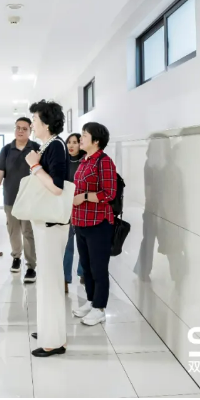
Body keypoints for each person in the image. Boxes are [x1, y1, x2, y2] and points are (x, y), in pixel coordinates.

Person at [25, 100, 69, 358]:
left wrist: (35, 166)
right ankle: (49, 331)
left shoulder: (56, 146)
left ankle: (53, 341)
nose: (32, 125)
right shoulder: (49, 145)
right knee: (47, 279)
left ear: (47, 123)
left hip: (52, 225)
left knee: (51, 281)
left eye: (34, 120)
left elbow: (57, 187)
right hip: (46, 224)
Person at [71, 122, 117, 326]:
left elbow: (109, 193)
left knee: (98, 268)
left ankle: (99, 308)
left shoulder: (104, 162)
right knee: (86, 267)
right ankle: (91, 301)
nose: (80, 139)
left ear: (96, 141)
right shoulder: (84, 161)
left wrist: (84, 197)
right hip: (81, 221)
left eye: (84, 135)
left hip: (98, 223)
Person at [0, 117, 40, 282]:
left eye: (24, 128)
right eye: (18, 128)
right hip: (10, 197)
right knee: (13, 231)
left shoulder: (36, 148)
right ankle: (16, 257)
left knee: (28, 232)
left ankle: (31, 266)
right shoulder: (6, 149)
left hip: (30, 199)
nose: (20, 131)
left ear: (30, 131)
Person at [63, 133, 85, 292]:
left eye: (75, 142)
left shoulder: (85, 161)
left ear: (80, 144)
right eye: (69, 142)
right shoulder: (62, 161)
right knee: (67, 244)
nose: (71, 145)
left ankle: (83, 272)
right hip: (66, 207)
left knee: (83, 243)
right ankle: (65, 277)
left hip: (82, 206)